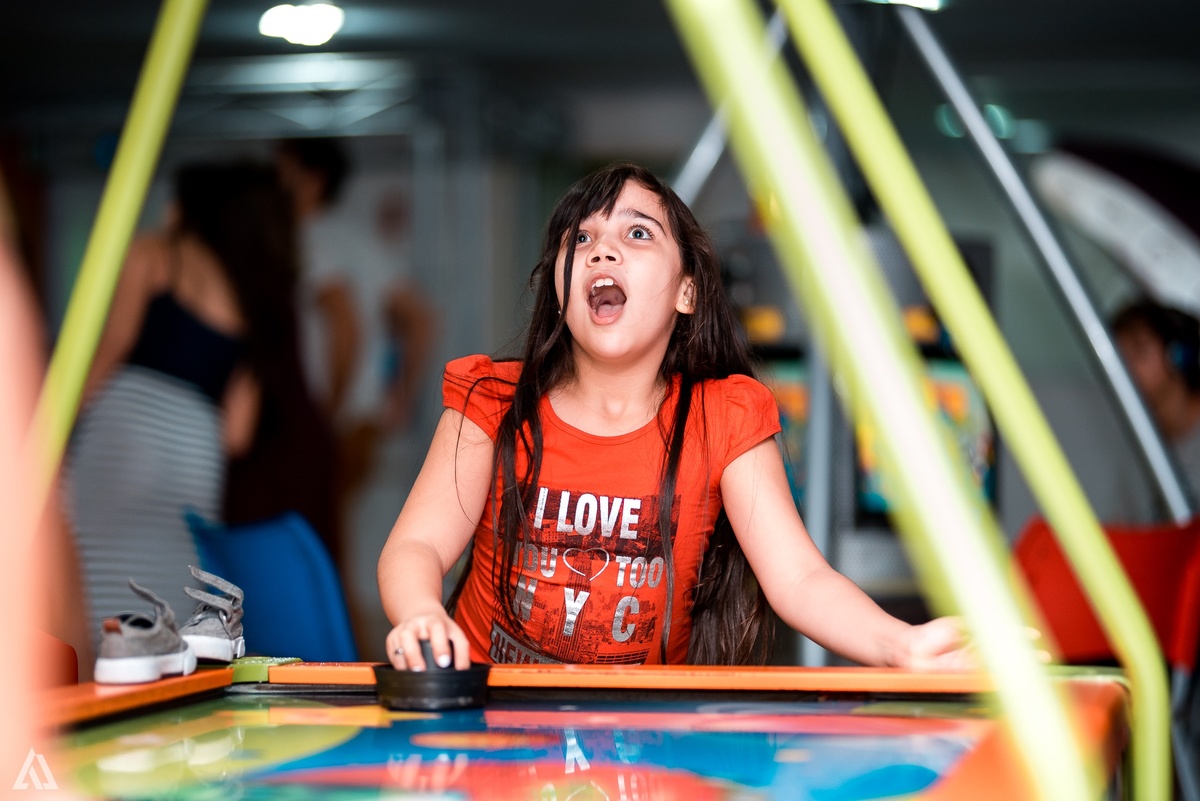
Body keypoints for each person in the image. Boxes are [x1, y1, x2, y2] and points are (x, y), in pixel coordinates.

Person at [377, 162, 971, 670]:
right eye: (581, 238)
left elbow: (799, 579)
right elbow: (417, 545)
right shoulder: (492, 400)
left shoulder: (725, 417)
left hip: (644, 737)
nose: (602, 248)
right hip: (488, 728)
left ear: (687, 292)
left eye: (637, 232)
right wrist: (421, 614)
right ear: (560, 288)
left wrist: (900, 645)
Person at [65, 161, 297, 645]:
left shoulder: (158, 253)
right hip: (196, 449)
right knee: (166, 586)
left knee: (93, 575)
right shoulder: (256, 294)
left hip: (127, 428)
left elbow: (109, 350)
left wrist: (52, 434)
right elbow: (237, 435)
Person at [1111, 297, 1200, 521]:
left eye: (1138, 351)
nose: (1126, 368)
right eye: (1120, 357)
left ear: (1179, 355)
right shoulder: (1140, 451)